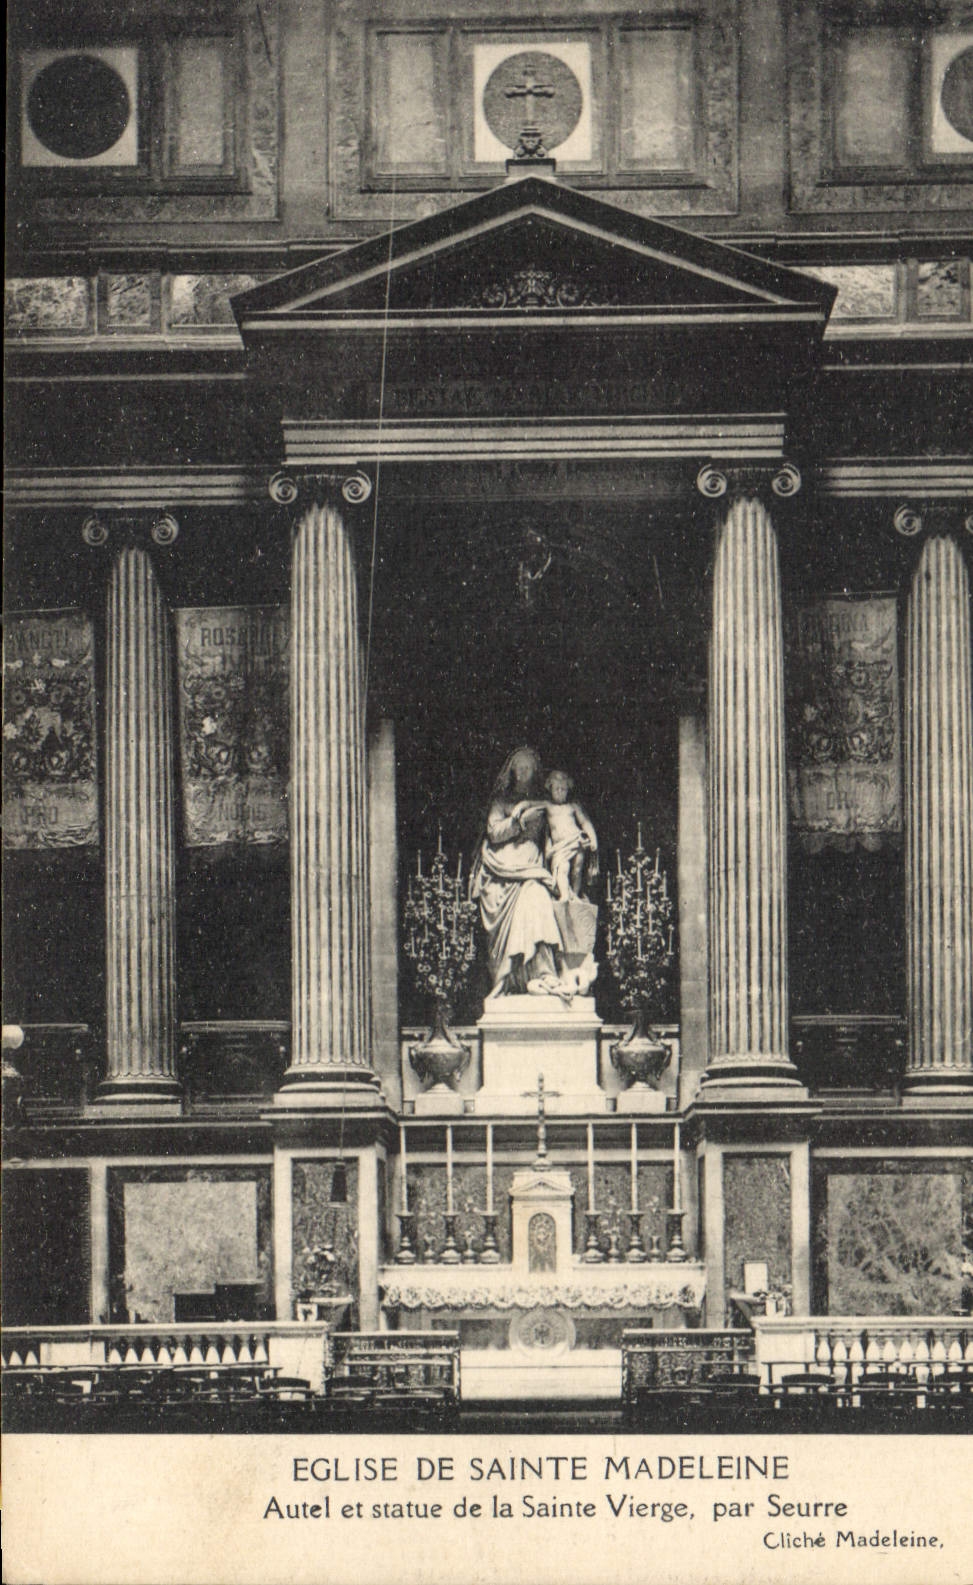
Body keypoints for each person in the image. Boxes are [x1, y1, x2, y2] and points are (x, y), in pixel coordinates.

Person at [470, 746, 567, 997]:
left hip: (532, 869)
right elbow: (493, 832)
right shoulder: (501, 802)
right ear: (512, 771)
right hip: (502, 869)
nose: (523, 773)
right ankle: (506, 980)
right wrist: (516, 822)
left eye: (527, 768)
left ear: (535, 772)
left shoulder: (544, 802)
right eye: (518, 768)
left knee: (538, 897)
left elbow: (557, 833)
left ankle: (544, 973)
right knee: (509, 900)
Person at [534, 769, 599, 902]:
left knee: (577, 869)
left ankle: (574, 895)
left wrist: (593, 839)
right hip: (560, 847)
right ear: (550, 788)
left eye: (563, 789)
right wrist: (518, 809)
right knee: (562, 868)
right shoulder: (548, 805)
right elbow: (530, 804)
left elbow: (585, 823)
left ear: (568, 790)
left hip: (576, 840)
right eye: (557, 788)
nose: (560, 792)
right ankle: (564, 895)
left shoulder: (573, 806)